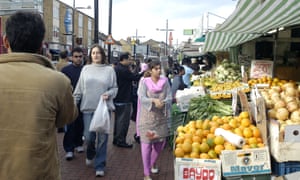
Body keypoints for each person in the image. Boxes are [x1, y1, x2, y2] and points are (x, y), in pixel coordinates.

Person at [0, 11, 77, 179]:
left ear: (6, 41)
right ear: (41, 45)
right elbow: (65, 119)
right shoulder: (58, 81)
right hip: (38, 171)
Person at [73, 44, 118, 177]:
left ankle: (100, 165)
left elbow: (115, 88)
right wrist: (73, 103)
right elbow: (79, 89)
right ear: (90, 55)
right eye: (93, 53)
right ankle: (90, 153)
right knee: (88, 137)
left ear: (102, 55)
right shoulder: (85, 69)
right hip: (88, 108)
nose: (96, 55)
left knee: (103, 138)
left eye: (98, 53)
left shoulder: (109, 70)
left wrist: (108, 94)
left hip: (104, 109)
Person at [137, 60, 172, 180]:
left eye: (159, 68)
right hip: (146, 118)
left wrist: (164, 102)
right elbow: (141, 96)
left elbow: (169, 96)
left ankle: (152, 163)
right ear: (150, 70)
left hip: (161, 118)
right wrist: (153, 101)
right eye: (155, 69)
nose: (158, 71)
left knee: (160, 144)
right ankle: (146, 173)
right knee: (146, 145)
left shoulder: (165, 81)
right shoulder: (144, 82)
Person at [113, 52, 142, 148]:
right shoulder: (123, 70)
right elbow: (134, 77)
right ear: (124, 59)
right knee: (123, 121)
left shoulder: (117, 68)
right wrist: (143, 74)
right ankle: (121, 140)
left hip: (117, 97)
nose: (130, 61)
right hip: (124, 98)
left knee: (118, 120)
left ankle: (116, 139)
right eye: (129, 59)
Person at [62, 47, 85, 160]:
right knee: (70, 126)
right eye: (76, 56)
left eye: (80, 56)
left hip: (83, 101)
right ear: (71, 57)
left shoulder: (85, 70)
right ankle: (69, 149)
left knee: (80, 124)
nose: (78, 59)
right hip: (70, 101)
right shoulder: (65, 70)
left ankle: (78, 143)